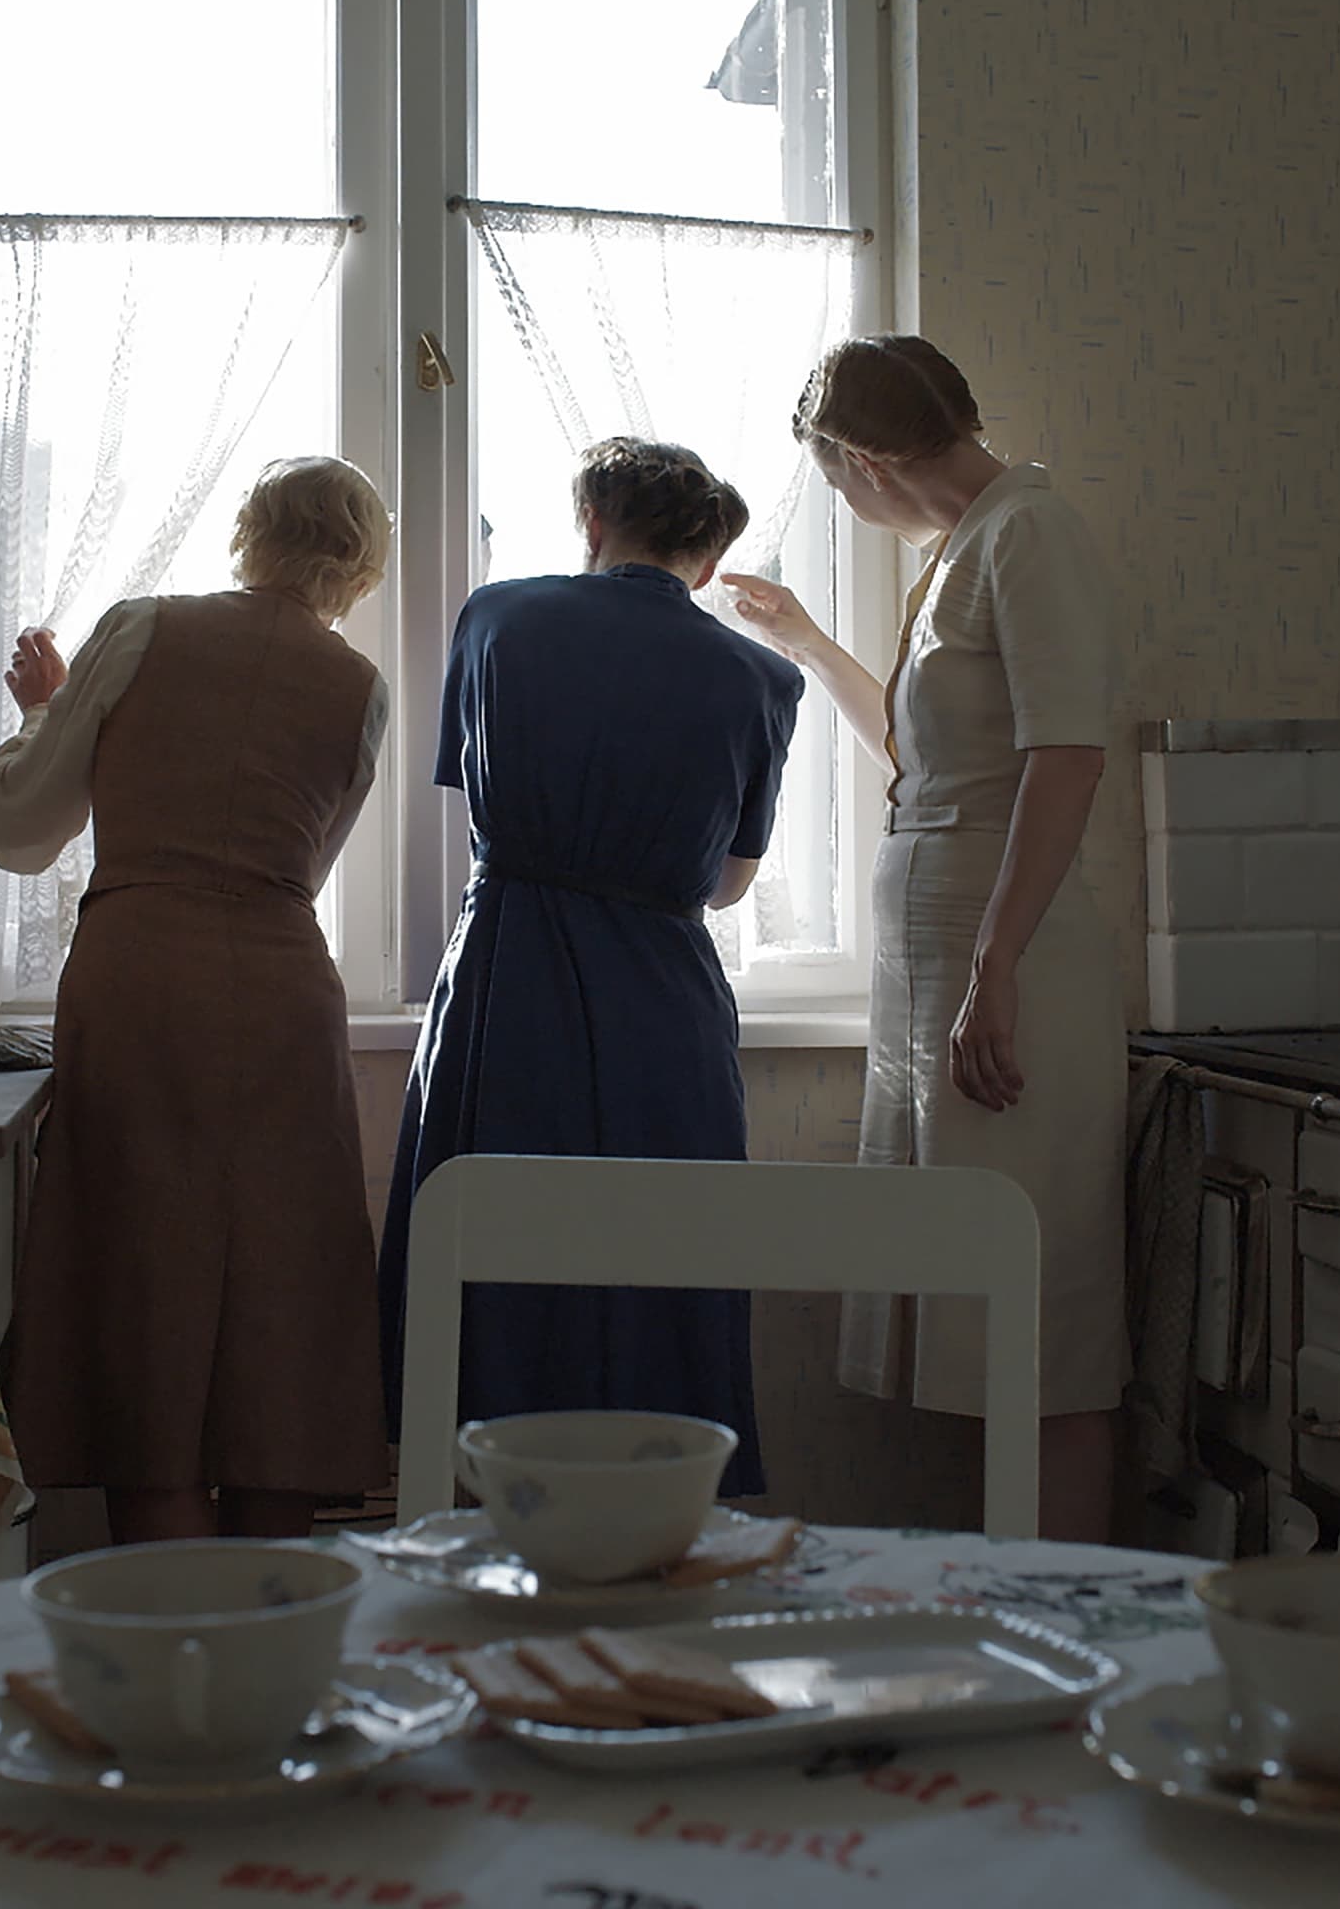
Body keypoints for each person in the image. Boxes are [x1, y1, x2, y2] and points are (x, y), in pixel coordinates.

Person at [724, 337, 1125, 1543]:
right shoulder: (962, 550)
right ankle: (997, 1587)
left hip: (1008, 965)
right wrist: (806, 640)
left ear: (863, 460)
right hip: (947, 964)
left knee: (1041, 1315)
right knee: (970, 1304)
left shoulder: (1027, 534)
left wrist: (996, 967)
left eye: (833, 481)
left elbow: (1068, 757)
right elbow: (921, 761)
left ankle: (1058, 1603)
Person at [0, 455, 394, 1545]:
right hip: (284, 989)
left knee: (143, 1276)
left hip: (142, 978)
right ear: (362, 566)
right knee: (282, 1291)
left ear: (251, 531)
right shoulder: (361, 687)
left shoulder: (143, 628)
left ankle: (167, 1623)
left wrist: (42, 715)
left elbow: (25, 828)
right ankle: (272, 1615)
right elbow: (307, 863)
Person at [378, 438, 803, 1496]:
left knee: (489, 1266)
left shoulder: (497, 619)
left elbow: (474, 803)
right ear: (709, 559)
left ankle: (477, 1526)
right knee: (664, 1267)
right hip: (665, 1004)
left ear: (594, 524)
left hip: (507, 976)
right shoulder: (764, 678)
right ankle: (657, 1527)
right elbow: (727, 884)